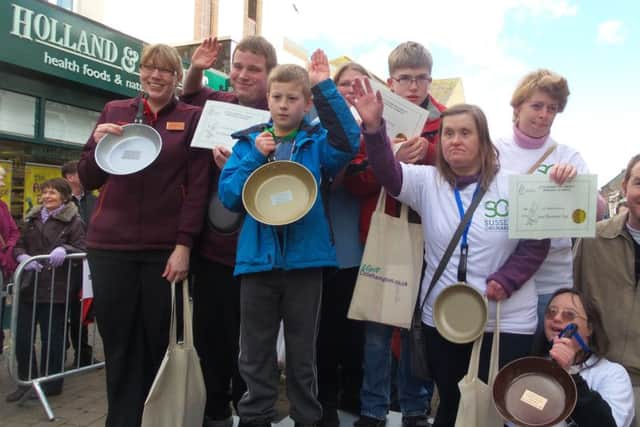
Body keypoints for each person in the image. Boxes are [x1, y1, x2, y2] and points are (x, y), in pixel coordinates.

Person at [349, 78, 550, 427]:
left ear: (483, 141)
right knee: (453, 402)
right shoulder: (428, 182)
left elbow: (537, 242)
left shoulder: (515, 184)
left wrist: (507, 279)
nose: (455, 140)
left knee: (498, 406)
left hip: (506, 318)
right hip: (443, 318)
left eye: (465, 133)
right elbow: (388, 172)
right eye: (448, 134)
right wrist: (374, 127)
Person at [218, 50, 360, 427]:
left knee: (302, 353)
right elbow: (230, 196)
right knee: (255, 352)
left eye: (293, 98)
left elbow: (350, 140)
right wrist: (253, 158)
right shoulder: (247, 143)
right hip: (257, 262)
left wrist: (325, 86)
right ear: (267, 99)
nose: (283, 105)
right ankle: (255, 417)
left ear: (306, 103)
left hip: (305, 262)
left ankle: (306, 418)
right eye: (277, 97)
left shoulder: (318, 144)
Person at [77, 43, 211, 427]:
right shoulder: (115, 111)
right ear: (140, 72)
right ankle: (121, 419)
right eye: (149, 68)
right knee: (118, 344)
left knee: (158, 342)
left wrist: (184, 245)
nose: (156, 75)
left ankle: (157, 418)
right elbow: (88, 178)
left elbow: (198, 187)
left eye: (165, 70)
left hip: (162, 250)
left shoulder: (191, 117)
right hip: (110, 247)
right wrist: (96, 143)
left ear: (176, 77)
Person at [344, 41, 445, 427]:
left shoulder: (445, 121)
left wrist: (432, 155)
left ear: (430, 79)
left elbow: (461, 171)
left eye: (421, 78)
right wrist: (388, 159)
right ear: (390, 81)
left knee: (418, 329)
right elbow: (354, 182)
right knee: (378, 329)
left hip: (430, 237)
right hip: (381, 235)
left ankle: (415, 408)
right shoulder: (371, 118)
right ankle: (373, 408)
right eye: (405, 78)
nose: (414, 86)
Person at [180, 35, 276, 427]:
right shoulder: (218, 104)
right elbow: (187, 100)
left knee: (252, 341)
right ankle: (215, 409)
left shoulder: (280, 113)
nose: (242, 75)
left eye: (254, 68)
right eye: (237, 66)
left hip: (256, 251)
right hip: (212, 247)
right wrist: (198, 67)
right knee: (211, 336)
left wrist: (239, 169)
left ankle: (251, 410)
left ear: (270, 74)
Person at [493, 69, 591, 330]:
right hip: (503, 273)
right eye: (537, 105)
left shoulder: (568, 156)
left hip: (552, 281)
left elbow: (594, 211)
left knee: (543, 362)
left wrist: (576, 186)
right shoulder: (493, 151)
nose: (544, 115)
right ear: (517, 106)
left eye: (552, 108)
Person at [316, 62, 369, 427]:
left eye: (358, 84)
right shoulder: (321, 129)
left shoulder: (376, 130)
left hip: (362, 248)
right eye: (344, 84)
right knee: (326, 332)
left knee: (358, 333)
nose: (352, 89)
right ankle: (325, 401)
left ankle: (354, 395)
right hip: (324, 250)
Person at [573, 153, 640, 425]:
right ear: (624, 187)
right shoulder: (593, 239)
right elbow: (573, 298)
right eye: (639, 182)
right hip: (597, 375)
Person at [7, 178, 85, 402]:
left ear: (64, 196)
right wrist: (22, 256)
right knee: (22, 337)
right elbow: (19, 244)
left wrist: (65, 249)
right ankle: (27, 381)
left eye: (52, 193)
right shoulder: (31, 218)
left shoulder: (74, 221)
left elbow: (82, 247)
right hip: (29, 285)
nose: (47, 196)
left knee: (52, 338)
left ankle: (51, 384)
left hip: (56, 289)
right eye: (45, 193)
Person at [531, 288, 634, 426]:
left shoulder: (612, 374)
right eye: (551, 312)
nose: (556, 318)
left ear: (590, 328)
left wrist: (570, 375)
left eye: (569, 315)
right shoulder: (534, 367)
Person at [61, 160, 96, 367]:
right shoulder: (61, 201)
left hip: (87, 266)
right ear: (71, 177)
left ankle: (83, 354)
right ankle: (59, 353)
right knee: (62, 312)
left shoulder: (94, 200)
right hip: (65, 267)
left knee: (81, 311)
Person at [0, 166, 19, 355]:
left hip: (3, 267)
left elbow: (14, 230)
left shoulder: (2, 206)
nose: (3, 184)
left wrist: (9, 248)